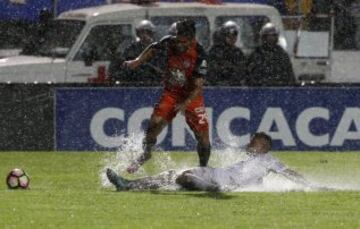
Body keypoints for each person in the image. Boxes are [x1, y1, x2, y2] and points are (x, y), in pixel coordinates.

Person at [122, 19, 211, 173]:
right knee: (154, 124)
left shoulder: (200, 54)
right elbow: (153, 48)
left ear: (192, 38)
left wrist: (185, 103)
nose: (179, 44)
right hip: (172, 92)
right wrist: (137, 61)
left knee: (203, 137)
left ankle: (203, 169)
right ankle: (146, 153)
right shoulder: (170, 42)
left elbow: (198, 86)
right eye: (178, 39)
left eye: (183, 41)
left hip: (192, 96)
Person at [106, 132, 318, 192]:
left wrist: (310, 185)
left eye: (255, 142)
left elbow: (288, 172)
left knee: (184, 177)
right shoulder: (249, 159)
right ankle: (128, 185)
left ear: (264, 147)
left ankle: (196, 185)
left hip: (221, 185)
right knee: (171, 174)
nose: (250, 143)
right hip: (212, 174)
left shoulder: (269, 160)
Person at [108, 20, 161, 85]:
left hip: (154, 86)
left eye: (148, 32)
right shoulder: (131, 49)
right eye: (141, 32)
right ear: (138, 34)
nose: (145, 35)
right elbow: (118, 69)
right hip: (134, 85)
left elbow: (163, 70)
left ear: (152, 34)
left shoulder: (158, 50)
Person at [207, 21, 246, 86]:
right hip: (215, 88)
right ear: (223, 36)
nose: (233, 39)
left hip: (234, 89)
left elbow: (242, 71)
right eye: (229, 37)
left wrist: (233, 81)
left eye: (234, 37)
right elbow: (208, 70)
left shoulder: (237, 52)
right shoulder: (214, 52)